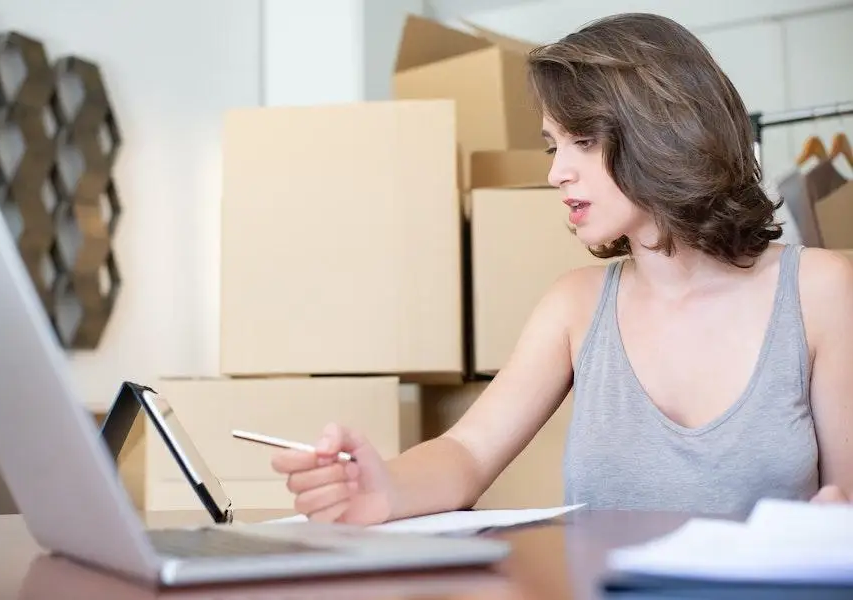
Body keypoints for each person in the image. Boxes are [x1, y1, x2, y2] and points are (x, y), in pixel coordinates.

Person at [271, 12, 853, 523]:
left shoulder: (819, 290)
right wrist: (382, 485)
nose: (556, 173)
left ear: (661, 133)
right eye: (554, 147)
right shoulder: (574, 305)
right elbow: (470, 452)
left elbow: (844, 499)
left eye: (582, 141)